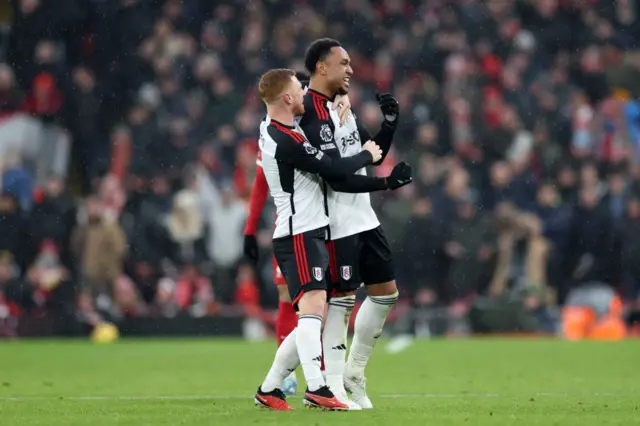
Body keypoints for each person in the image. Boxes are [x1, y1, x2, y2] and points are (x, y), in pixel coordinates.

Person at [252, 68, 384, 411]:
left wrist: (338, 102)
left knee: (315, 313)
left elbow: (311, 103)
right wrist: (368, 157)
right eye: (300, 89)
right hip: (300, 233)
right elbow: (335, 169)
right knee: (313, 310)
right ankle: (319, 387)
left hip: (304, 232)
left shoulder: (274, 128)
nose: (305, 93)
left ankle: (269, 388)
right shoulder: (288, 141)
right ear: (287, 98)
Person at [298, 38, 410, 409]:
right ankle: (328, 386)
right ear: (320, 67)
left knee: (385, 294)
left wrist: (390, 125)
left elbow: (370, 154)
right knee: (339, 304)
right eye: (343, 63)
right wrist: (385, 184)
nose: (350, 69)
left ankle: (354, 373)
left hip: (363, 217)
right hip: (334, 223)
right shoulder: (311, 114)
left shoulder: (340, 106)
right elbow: (337, 177)